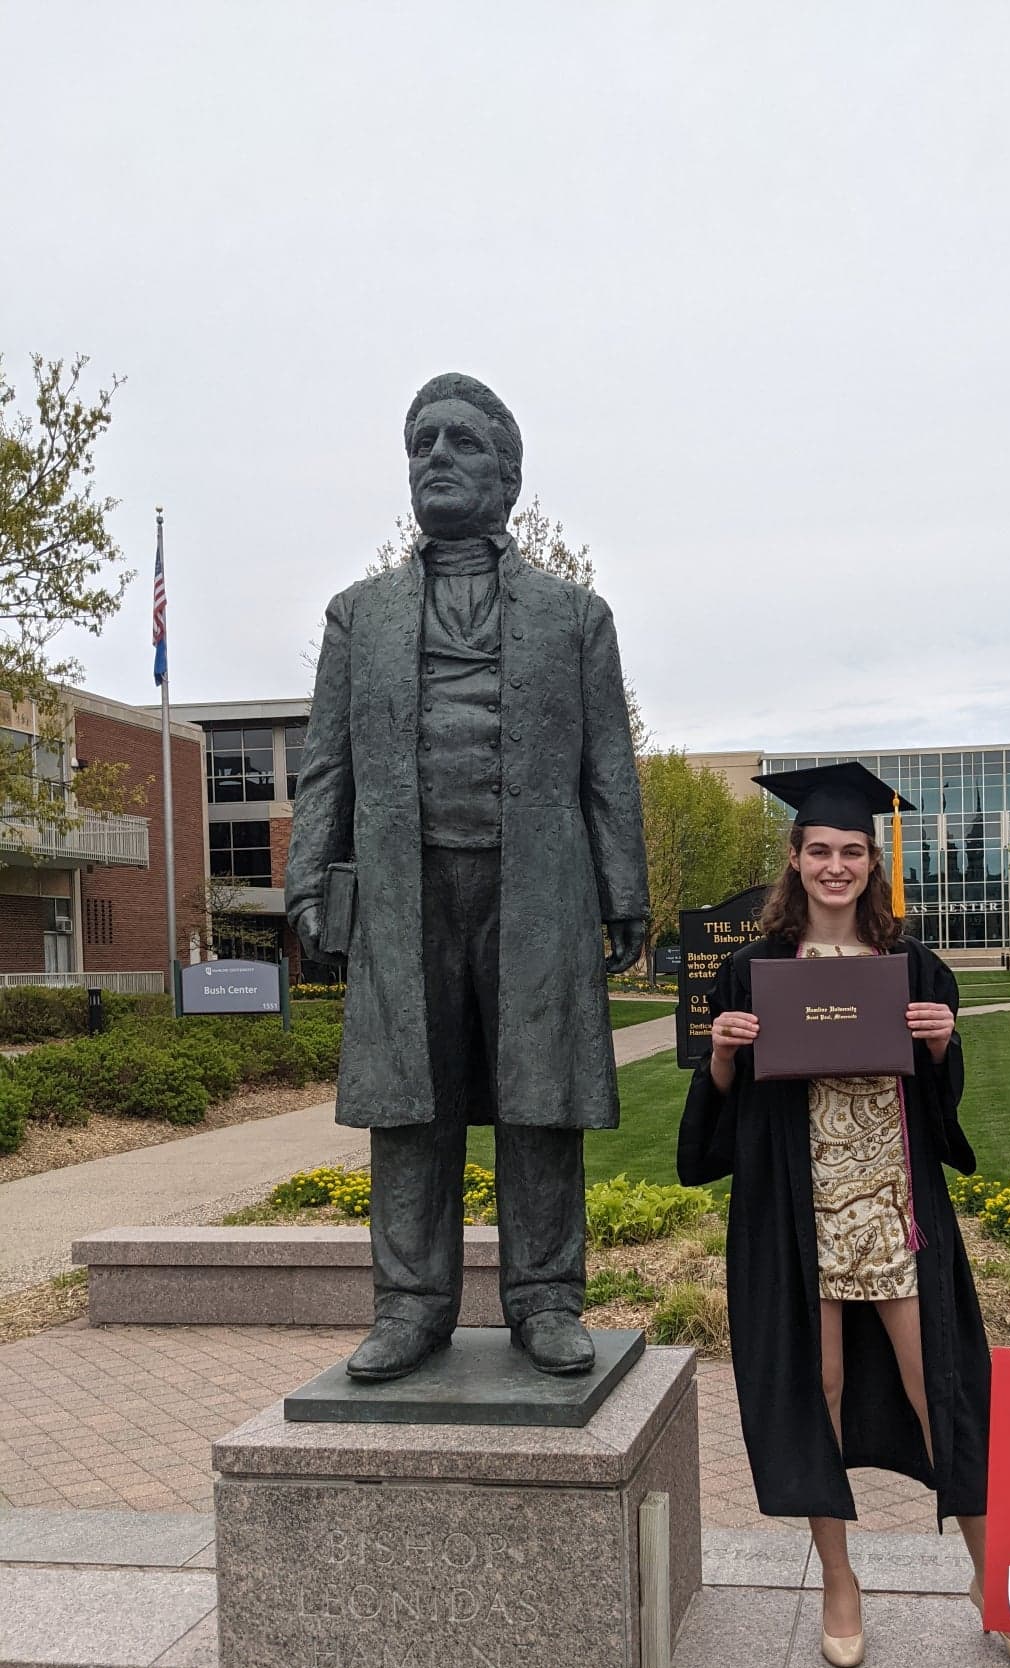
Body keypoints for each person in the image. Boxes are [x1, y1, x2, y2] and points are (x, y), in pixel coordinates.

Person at [286, 372, 648, 1382]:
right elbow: (328, 764)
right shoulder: (359, 616)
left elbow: (606, 764)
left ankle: (545, 1299)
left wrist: (625, 890)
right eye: (421, 444)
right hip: (408, 897)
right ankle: (410, 1306)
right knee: (412, 1103)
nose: (436, 458)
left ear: (507, 476)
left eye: (462, 444)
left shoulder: (576, 616)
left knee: (540, 1098)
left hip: (538, 891)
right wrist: (307, 880)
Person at [677, 762, 1010, 1668]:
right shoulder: (750, 971)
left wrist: (940, 1045)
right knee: (823, 1390)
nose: (836, 865)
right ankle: (840, 1582)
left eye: (852, 851)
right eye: (820, 851)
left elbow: (942, 1099)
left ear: (870, 863)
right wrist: (723, 1054)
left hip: (894, 1210)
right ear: (795, 859)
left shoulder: (915, 967)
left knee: (944, 1389)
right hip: (795, 1219)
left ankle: (988, 1579)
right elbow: (715, 1118)